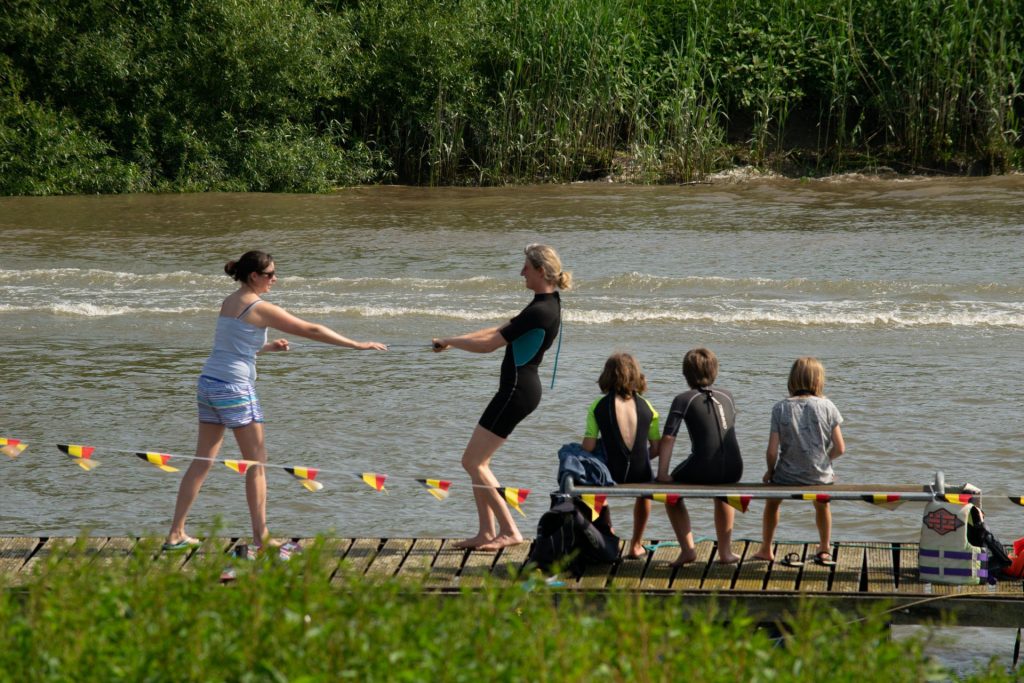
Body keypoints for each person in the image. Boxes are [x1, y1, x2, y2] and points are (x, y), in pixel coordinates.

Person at [165, 250, 387, 553]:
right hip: (234, 389)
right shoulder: (260, 307)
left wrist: (267, 347)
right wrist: (356, 344)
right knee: (257, 464)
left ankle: (176, 533)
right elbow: (310, 329)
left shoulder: (230, 300)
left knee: (203, 461)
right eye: (270, 274)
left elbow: (233, 346)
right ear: (254, 276)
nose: (274, 279)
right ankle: (261, 538)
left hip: (209, 384)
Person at [432, 244, 571, 551]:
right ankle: (486, 532)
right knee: (477, 462)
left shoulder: (540, 310)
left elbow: (489, 345)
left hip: (516, 391)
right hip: (520, 390)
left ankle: (509, 531)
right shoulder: (546, 303)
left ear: (539, 270)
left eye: (525, 267)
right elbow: (499, 330)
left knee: (473, 461)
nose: (521, 272)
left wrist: (449, 340)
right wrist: (451, 342)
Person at [752, 356, 845, 565]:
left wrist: (770, 471)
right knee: (822, 505)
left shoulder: (780, 408)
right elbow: (840, 448)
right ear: (819, 381)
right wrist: (825, 461)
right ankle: (824, 549)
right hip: (819, 476)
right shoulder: (828, 406)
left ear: (792, 379)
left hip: (786, 475)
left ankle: (766, 548)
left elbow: (771, 451)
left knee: (772, 503)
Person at [655, 347, 743, 566]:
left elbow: (668, 438)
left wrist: (663, 474)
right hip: (735, 467)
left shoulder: (683, 399)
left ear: (686, 374)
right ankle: (725, 552)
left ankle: (688, 551)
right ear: (715, 371)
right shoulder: (727, 396)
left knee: (670, 494)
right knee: (723, 491)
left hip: (704, 466)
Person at [581, 352, 661, 559]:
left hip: (610, 473)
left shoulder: (598, 406)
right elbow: (656, 447)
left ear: (607, 376)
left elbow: (588, 447)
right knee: (644, 494)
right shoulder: (648, 407)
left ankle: (609, 536)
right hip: (640, 472)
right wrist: (640, 458)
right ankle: (636, 545)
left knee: (593, 480)